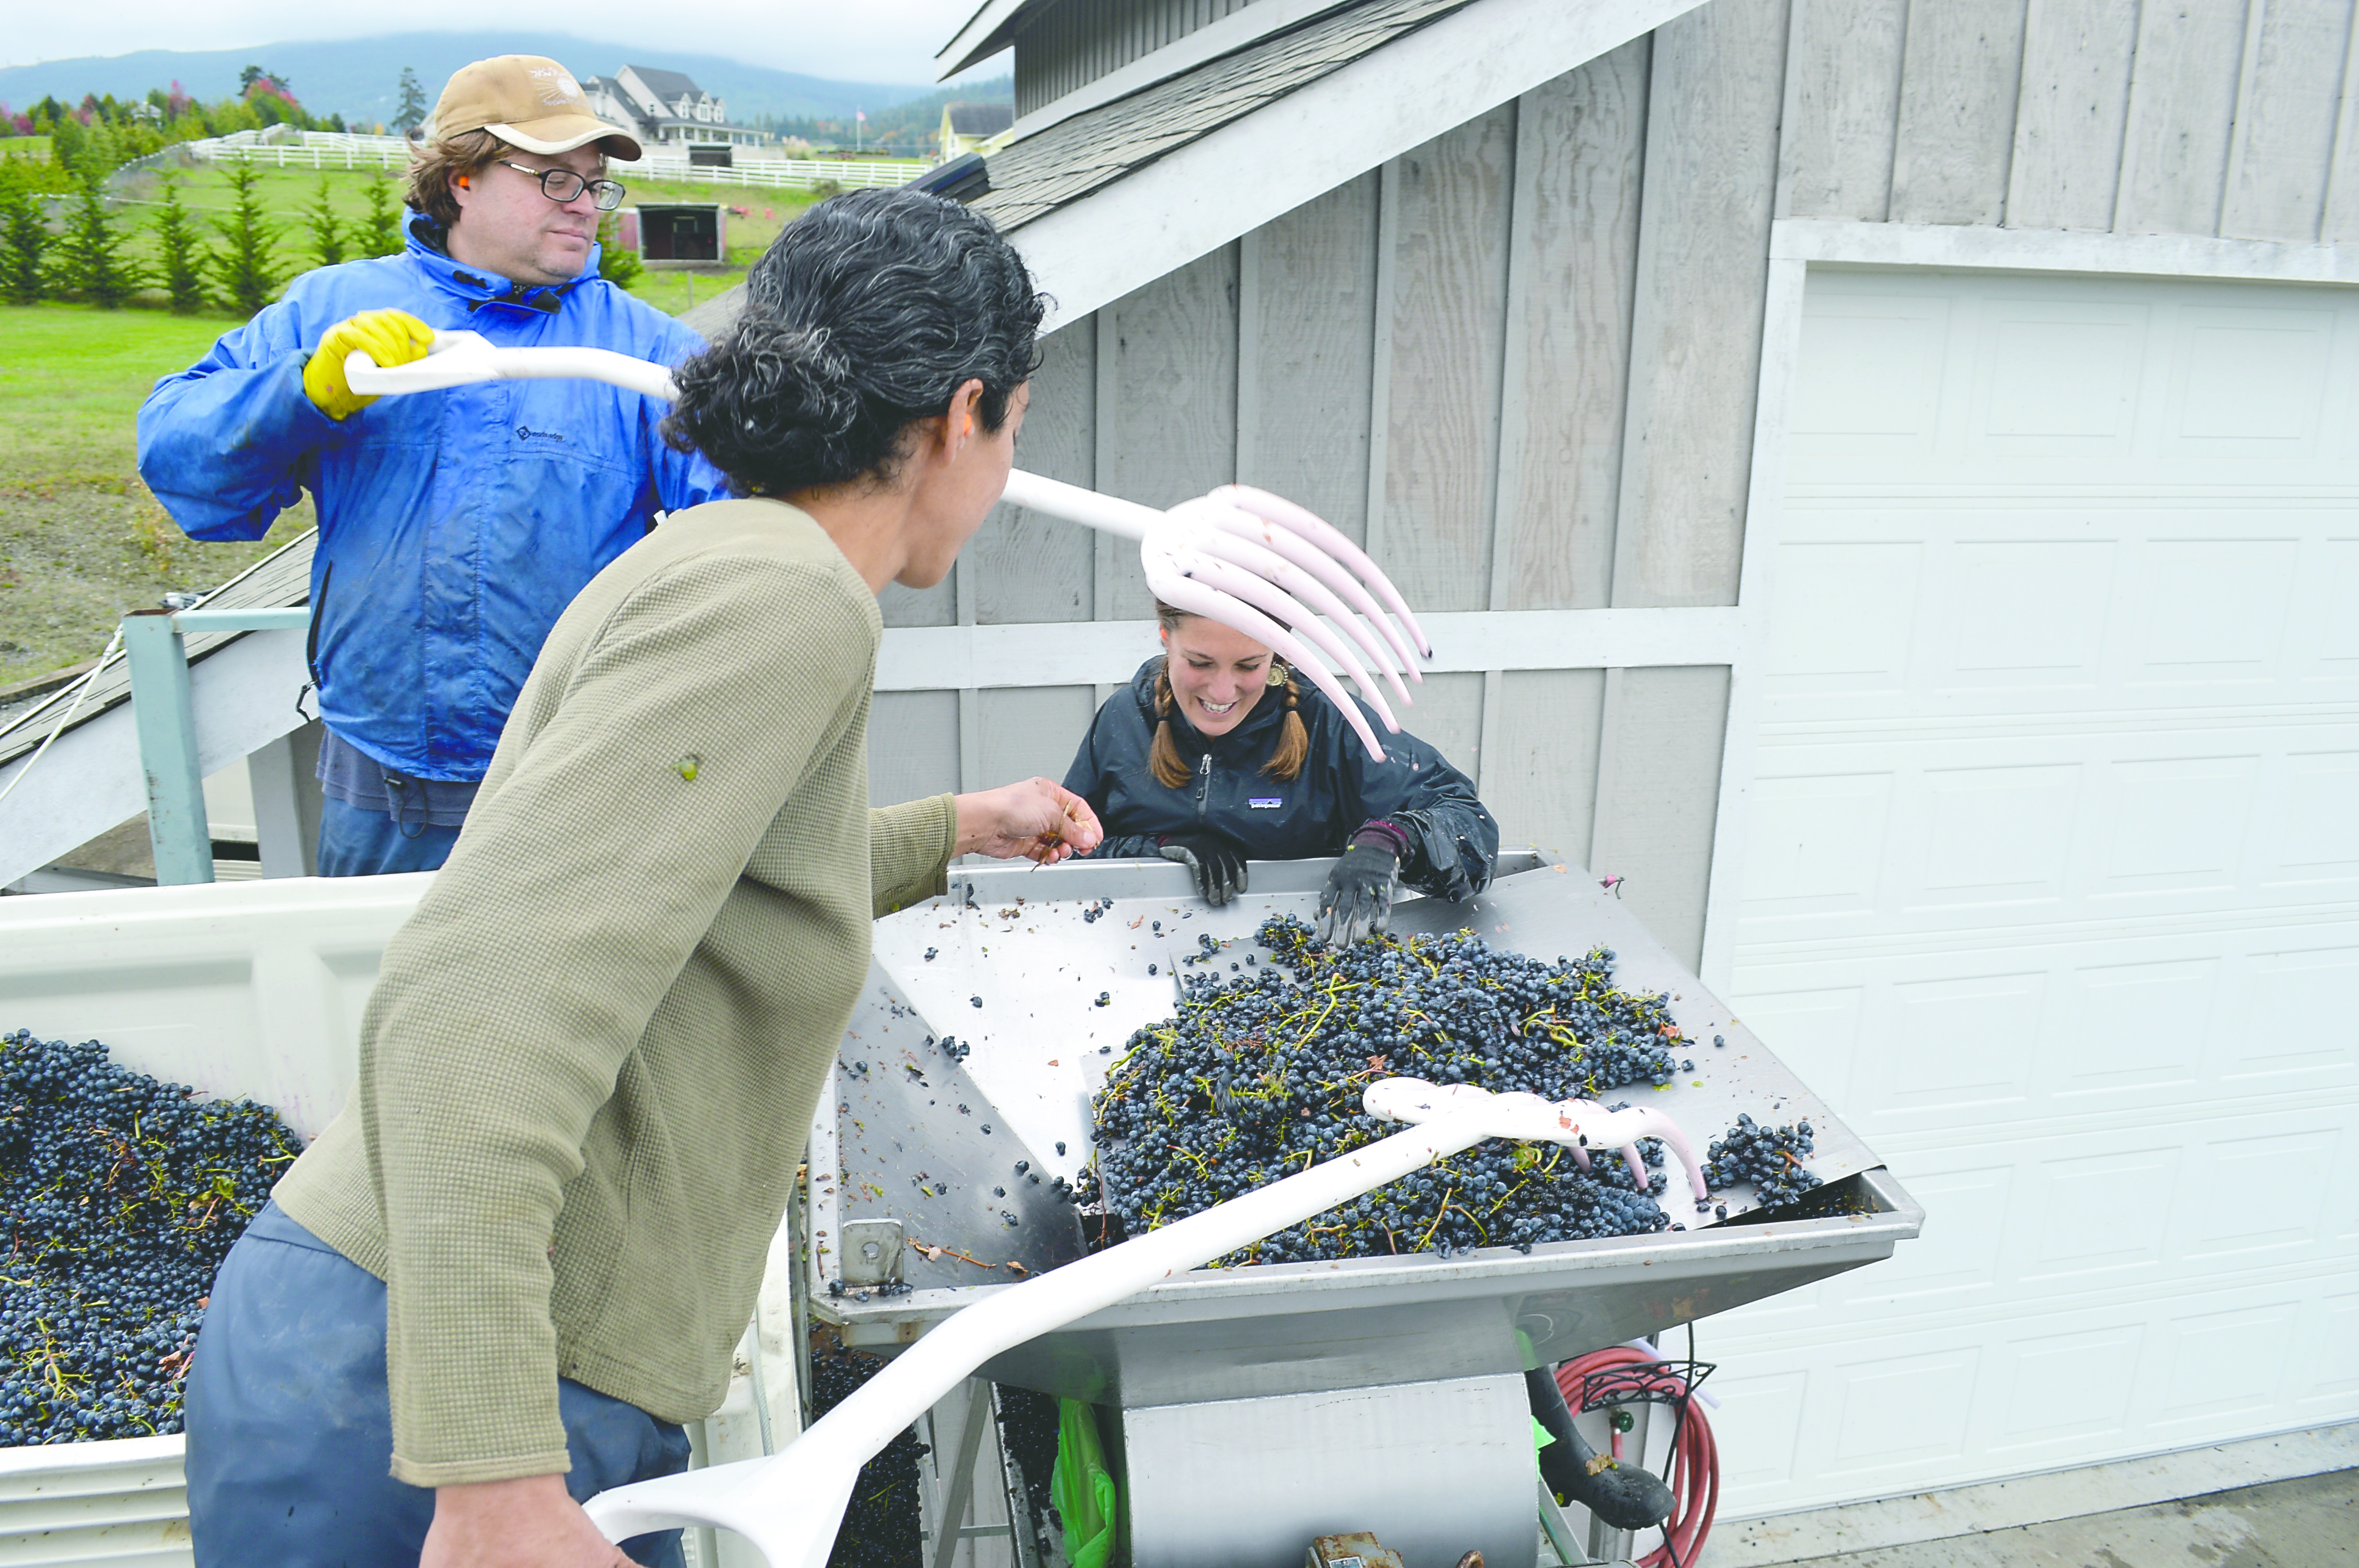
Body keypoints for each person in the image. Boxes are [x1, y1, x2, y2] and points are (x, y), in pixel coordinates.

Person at [180, 189, 1097, 1568]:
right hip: (435, 1399)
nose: (1010, 454)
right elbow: (472, 1002)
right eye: (1017, 423)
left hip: (444, 1364)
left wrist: (951, 826)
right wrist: (490, 1475)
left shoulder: (724, 560)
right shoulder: (783, 600)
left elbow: (703, 882)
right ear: (963, 413)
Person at [136, 55, 729, 878]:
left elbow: (750, 530)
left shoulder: (644, 350)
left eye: (595, 185)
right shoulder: (331, 313)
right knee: (376, 1004)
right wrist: (302, 391)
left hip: (575, 797)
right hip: (381, 801)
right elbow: (180, 458)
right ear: (462, 179)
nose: (587, 206)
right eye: (557, 180)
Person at [1064, 602, 1499, 943]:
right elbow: (1064, 853)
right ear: (1165, 637)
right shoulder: (1125, 719)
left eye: (1249, 666)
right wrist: (1157, 846)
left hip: (1304, 960)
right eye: (1200, 662)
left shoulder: (1330, 722)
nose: (1221, 691)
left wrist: (1390, 840)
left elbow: (1469, 826)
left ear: (1278, 654)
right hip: (1137, 955)